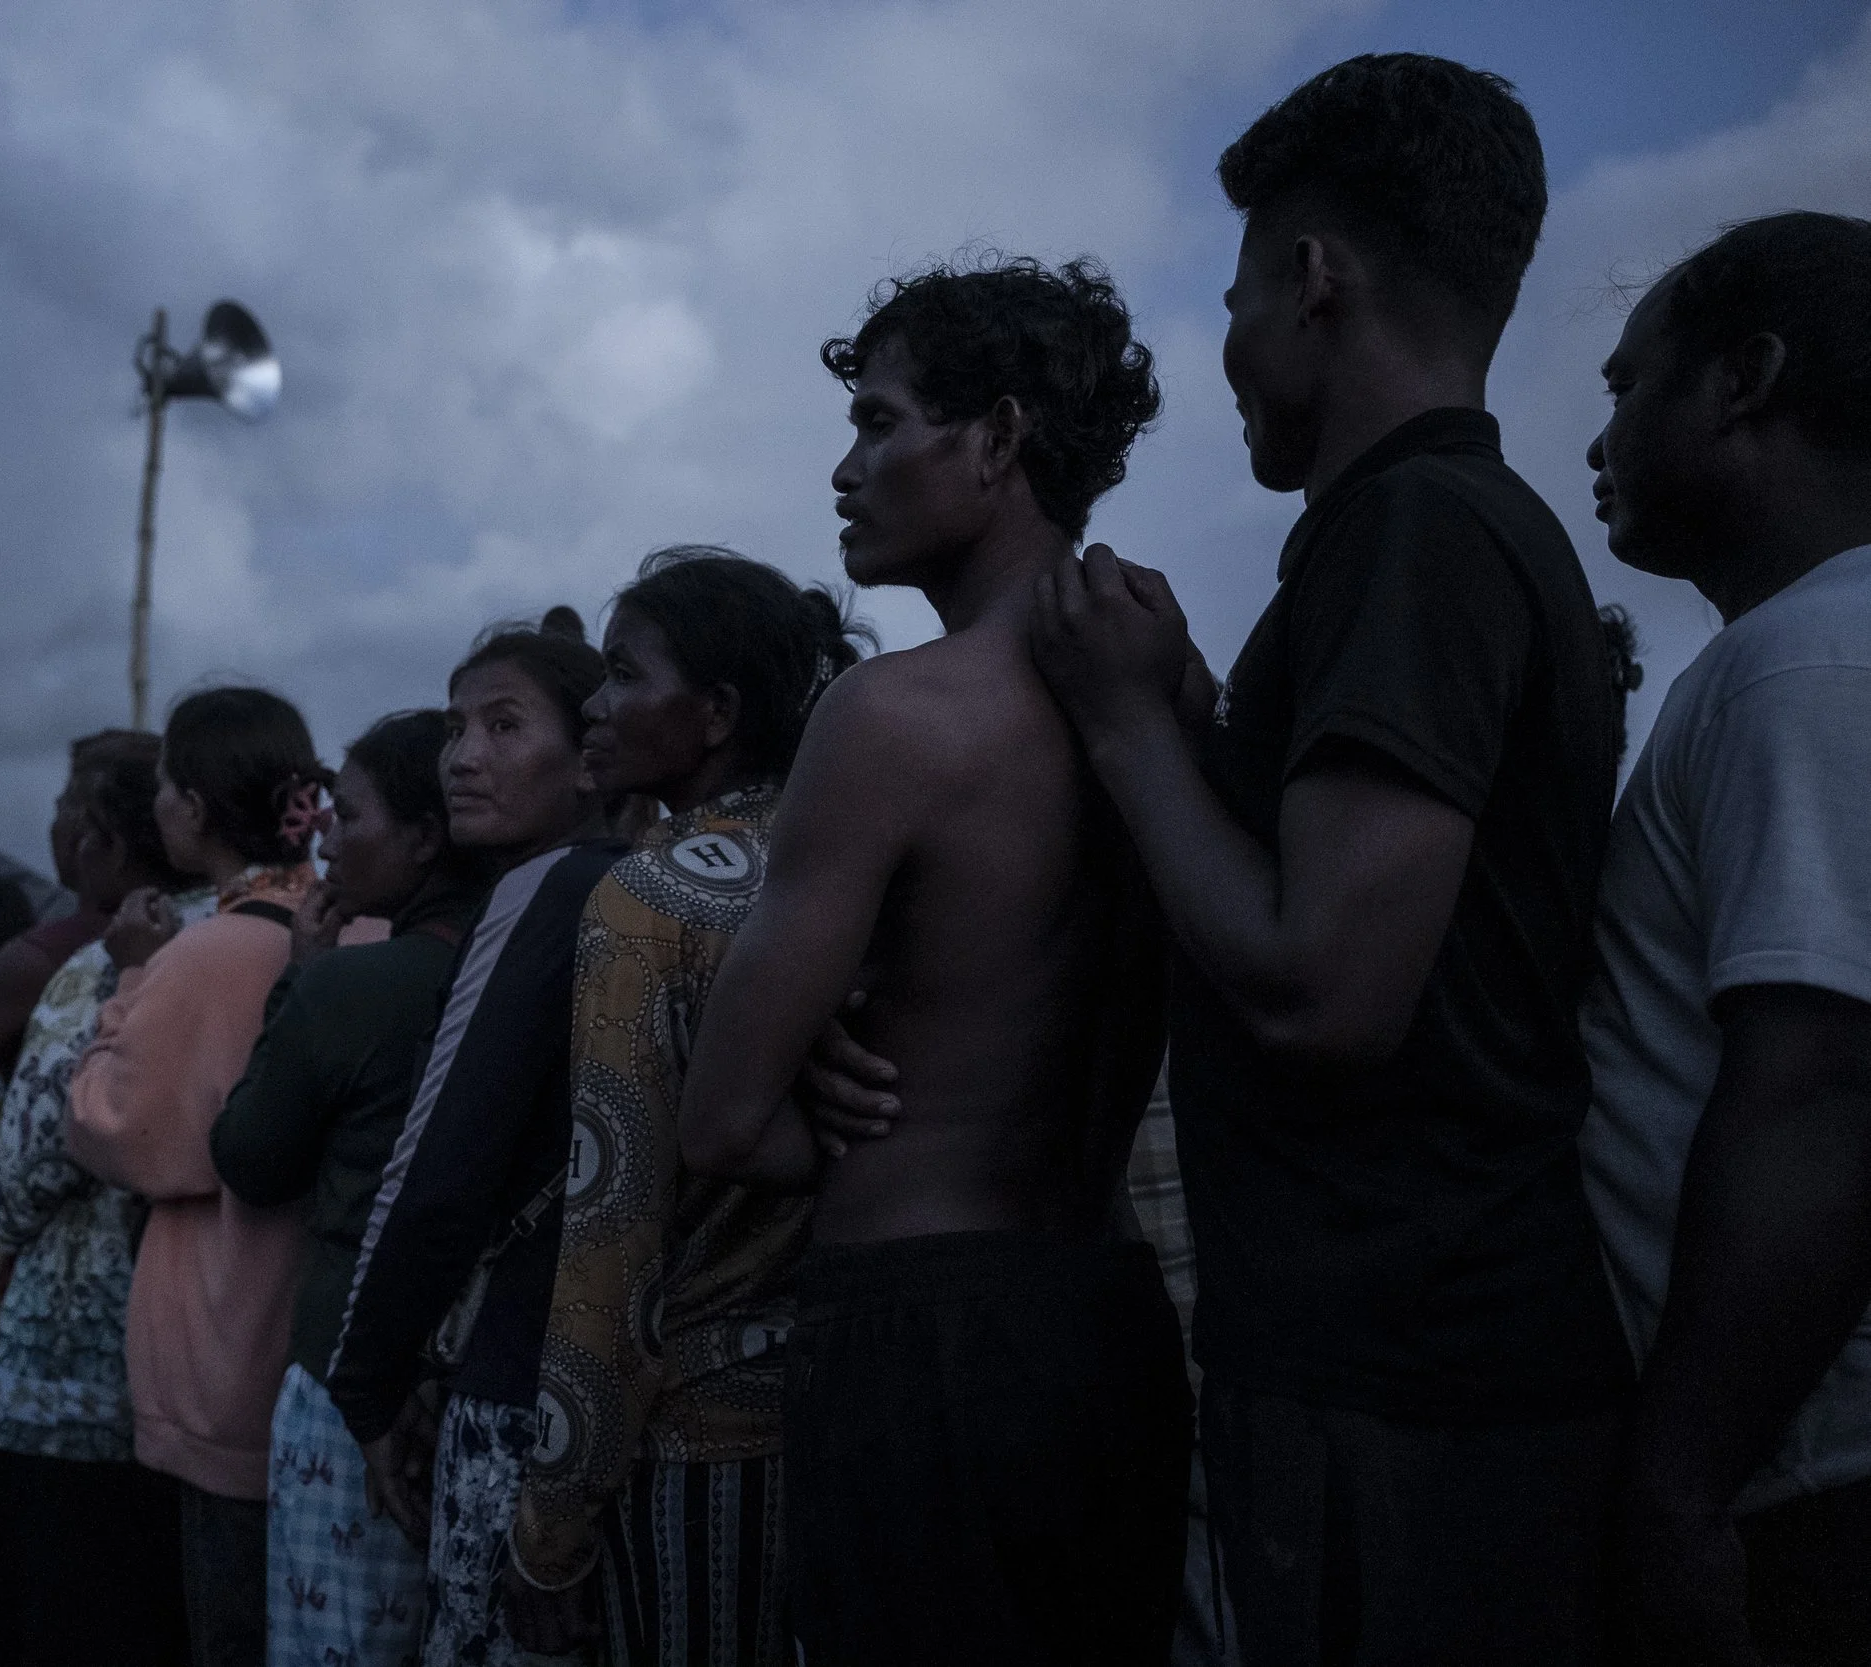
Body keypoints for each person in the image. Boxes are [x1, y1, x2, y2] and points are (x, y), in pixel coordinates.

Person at [1022, 55, 1631, 1664]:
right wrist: (1195, 715)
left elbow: (1326, 987)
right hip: (1425, 1376)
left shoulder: (1417, 531)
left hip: (1410, 1391)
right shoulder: (1445, 530)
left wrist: (1128, 731)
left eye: (1233, 298)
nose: (1224, 347)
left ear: (1312, 279)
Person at [676, 261, 1187, 1665]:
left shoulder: (891, 715)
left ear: (998, 437)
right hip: (1108, 1323)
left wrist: (841, 1102)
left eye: (880, 422)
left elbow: (721, 1119)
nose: (846, 471)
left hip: (923, 1331)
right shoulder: (1170, 683)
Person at [1576, 211, 1871, 1667]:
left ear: (1743, 378)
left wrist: (1678, 1486)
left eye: (1630, 386)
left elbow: (1818, 1092)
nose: (1599, 436)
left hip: (1815, 1496)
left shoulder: (1803, 660)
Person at [498, 550, 871, 1667]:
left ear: (715, 712)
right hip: (867, 1407)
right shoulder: (860, 858)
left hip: (700, 1450)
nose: (595, 704)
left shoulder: (650, 899)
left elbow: (612, 1234)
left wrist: (551, 1523)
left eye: (623, 674)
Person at [323, 614, 620, 1667]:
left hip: (517, 1385)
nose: (462, 755)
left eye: (503, 725)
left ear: (590, 757)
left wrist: (368, 1382)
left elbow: (437, 1168)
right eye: (455, 727)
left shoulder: (545, 887)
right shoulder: (639, 882)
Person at [212, 709, 490, 1667]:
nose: (326, 833)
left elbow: (249, 1157)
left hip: (350, 1374)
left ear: (425, 837)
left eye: (353, 811)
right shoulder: (528, 961)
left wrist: (301, 981)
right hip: (486, 1386)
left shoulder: (355, 988)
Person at [67, 687, 327, 1667]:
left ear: (196, 805)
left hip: (227, 1366)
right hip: (324, 1359)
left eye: (168, 782)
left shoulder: (205, 952)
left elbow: (115, 1130)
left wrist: (133, 976)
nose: (160, 802)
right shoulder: (360, 926)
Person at [0, 730, 190, 1667]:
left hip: (67, 1384)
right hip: (194, 1377)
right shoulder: (262, 936)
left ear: (106, 839)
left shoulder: (99, 966)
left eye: (72, 815)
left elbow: (20, 1184)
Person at [0, 732, 139, 1131]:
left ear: (88, 833)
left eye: (63, 806)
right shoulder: (187, 930)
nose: (54, 825)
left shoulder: (39, 957)